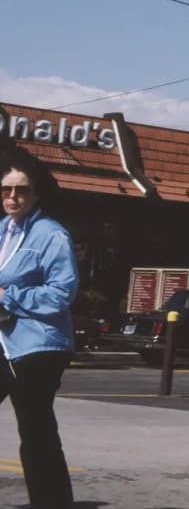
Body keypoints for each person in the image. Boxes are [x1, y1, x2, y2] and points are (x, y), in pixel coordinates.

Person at [0, 151, 77, 509]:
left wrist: (9, 296)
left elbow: (62, 293)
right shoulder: (4, 231)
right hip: (5, 343)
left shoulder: (51, 234)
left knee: (35, 429)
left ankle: (52, 502)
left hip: (39, 346)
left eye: (21, 191)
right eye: (6, 190)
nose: (12, 198)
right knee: (34, 429)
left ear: (37, 194)